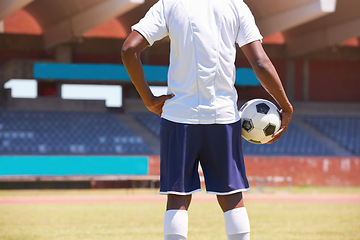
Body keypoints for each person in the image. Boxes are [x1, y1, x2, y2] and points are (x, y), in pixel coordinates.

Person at [121, 0, 293, 239]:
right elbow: (260, 63)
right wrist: (285, 106)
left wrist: (149, 99)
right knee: (232, 196)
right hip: (222, 117)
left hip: (178, 117)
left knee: (177, 196)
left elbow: (129, 49)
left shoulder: (169, 4)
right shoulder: (236, 6)